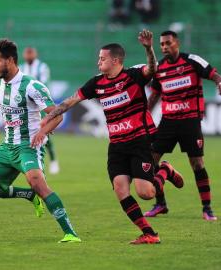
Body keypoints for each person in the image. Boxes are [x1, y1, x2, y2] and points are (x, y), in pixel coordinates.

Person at [32, 30, 183, 244]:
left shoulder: (134, 75)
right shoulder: (97, 83)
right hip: (117, 145)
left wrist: (149, 48)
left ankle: (165, 170)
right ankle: (149, 233)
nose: (98, 62)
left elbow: (153, 68)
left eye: (102, 59)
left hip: (139, 140)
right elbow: (70, 101)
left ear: (116, 60)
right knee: (121, 189)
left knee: (146, 193)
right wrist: (49, 118)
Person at [0, 39, 81, 243]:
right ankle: (27, 195)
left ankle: (70, 233)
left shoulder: (32, 86)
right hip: (7, 146)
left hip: (28, 146)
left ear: (10, 60)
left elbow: (57, 114)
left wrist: (42, 132)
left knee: (38, 183)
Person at [144, 30, 221, 221]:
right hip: (168, 121)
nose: (164, 47)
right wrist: (144, 114)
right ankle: (161, 204)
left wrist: (220, 83)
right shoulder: (159, 68)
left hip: (190, 121)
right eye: (162, 44)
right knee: (150, 159)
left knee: (197, 163)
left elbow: (215, 75)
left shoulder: (192, 61)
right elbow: (155, 95)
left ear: (177, 43)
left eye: (168, 43)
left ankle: (207, 208)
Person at [20, 47, 60, 175]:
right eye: (26, 53)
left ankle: (52, 160)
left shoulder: (42, 67)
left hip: (39, 104)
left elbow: (43, 84)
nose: (28, 55)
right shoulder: (21, 68)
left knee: (44, 132)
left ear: (35, 54)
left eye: (30, 52)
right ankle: (26, 160)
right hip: (26, 106)